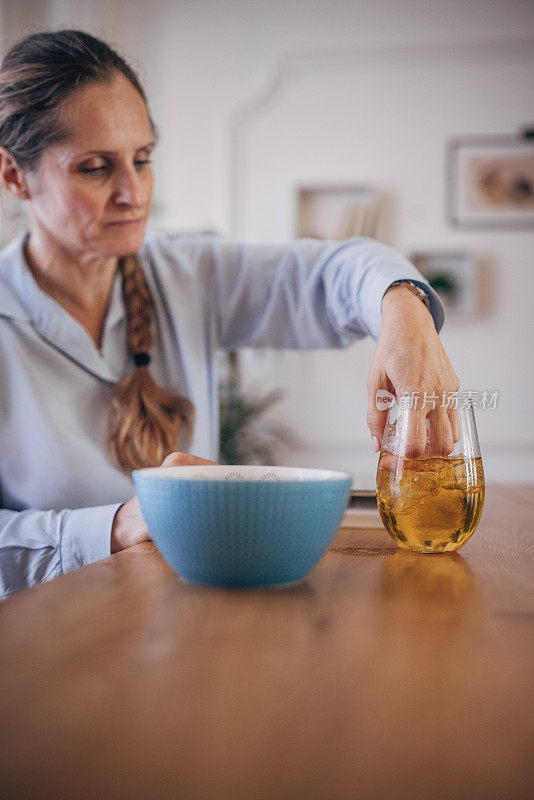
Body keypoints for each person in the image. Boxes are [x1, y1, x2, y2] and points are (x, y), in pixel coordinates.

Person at [0, 30, 460, 597]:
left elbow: (329, 273)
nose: (133, 192)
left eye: (143, 160)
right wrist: (118, 525)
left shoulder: (189, 274)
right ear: (13, 175)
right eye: (95, 168)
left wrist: (404, 312)